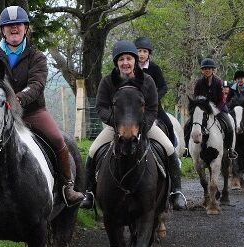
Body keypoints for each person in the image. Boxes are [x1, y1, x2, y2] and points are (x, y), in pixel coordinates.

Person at [0, 6, 84, 213]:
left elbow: (37, 85)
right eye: (9, 26)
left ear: (25, 28)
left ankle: (67, 187)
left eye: (18, 25)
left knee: (58, 139)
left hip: (33, 111)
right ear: (2, 30)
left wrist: (16, 99)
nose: (14, 29)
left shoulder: (37, 57)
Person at [80, 40, 187, 211]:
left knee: (169, 148)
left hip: (144, 125)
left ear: (135, 61)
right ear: (116, 62)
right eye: (121, 59)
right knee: (92, 152)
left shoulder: (147, 80)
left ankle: (176, 191)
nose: (125, 63)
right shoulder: (108, 81)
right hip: (115, 127)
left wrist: (143, 126)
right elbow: (101, 107)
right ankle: (89, 193)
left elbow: (152, 107)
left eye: (129, 58)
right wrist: (116, 123)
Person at [184, 58, 237, 159]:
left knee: (229, 126)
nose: (207, 70)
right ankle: (187, 149)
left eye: (209, 68)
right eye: (205, 69)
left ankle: (230, 149)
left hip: (218, 108)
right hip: (203, 110)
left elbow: (222, 100)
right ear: (202, 70)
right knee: (187, 125)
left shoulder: (218, 82)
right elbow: (196, 98)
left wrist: (215, 111)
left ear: (213, 70)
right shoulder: (199, 83)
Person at [134, 37, 176, 147]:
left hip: (153, 106)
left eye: (145, 51)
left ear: (149, 54)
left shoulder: (155, 68)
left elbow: (163, 87)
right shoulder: (130, 68)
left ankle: (173, 153)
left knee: (169, 124)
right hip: (133, 107)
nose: (142, 54)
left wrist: (154, 98)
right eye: (139, 51)